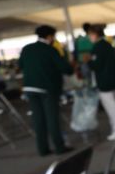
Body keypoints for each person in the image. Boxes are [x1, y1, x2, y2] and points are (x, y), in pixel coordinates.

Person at [18, 25, 75, 156]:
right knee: (52, 119)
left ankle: (42, 149)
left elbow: (20, 65)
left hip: (30, 88)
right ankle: (59, 147)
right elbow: (65, 68)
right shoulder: (50, 50)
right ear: (49, 36)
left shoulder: (27, 49)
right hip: (47, 88)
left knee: (38, 119)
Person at [85, 24, 115, 141]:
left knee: (110, 105)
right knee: (111, 104)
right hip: (111, 79)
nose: (89, 37)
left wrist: (88, 61)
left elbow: (97, 65)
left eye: (90, 35)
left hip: (104, 81)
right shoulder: (107, 45)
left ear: (94, 34)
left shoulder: (98, 47)